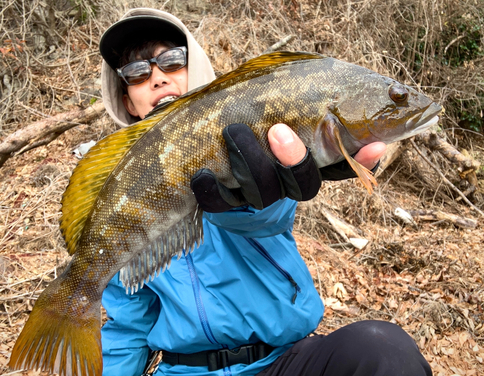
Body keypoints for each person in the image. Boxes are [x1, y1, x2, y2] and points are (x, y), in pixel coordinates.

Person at [98, 8, 432, 376]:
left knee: (382, 352)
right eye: (137, 73)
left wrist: (246, 204)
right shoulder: (118, 197)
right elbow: (128, 323)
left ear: (197, 71)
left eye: (172, 61)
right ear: (127, 102)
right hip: (183, 370)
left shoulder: (249, 113)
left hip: (284, 361)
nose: (157, 78)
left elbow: (269, 218)